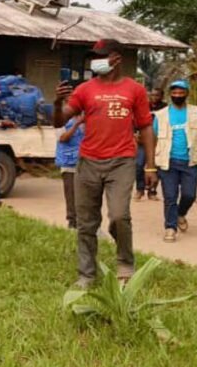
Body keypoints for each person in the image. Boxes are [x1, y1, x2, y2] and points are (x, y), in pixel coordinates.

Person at [54, 39, 155, 287]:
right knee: (86, 222)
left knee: (120, 216)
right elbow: (58, 121)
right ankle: (86, 274)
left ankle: (125, 264)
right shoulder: (85, 89)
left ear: (117, 58)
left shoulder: (135, 90)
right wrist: (57, 102)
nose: (95, 61)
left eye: (101, 56)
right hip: (88, 162)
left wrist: (150, 165)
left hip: (121, 161)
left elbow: (145, 126)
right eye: (94, 56)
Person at [153, 80, 197, 242]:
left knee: (189, 195)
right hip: (168, 162)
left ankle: (181, 213)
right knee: (170, 197)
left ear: (186, 94)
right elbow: (152, 138)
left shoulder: (196, 112)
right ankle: (170, 228)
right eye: (174, 93)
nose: (177, 96)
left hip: (190, 162)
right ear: (170, 95)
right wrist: (149, 164)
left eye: (181, 93)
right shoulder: (161, 115)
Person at [135, 87, 167, 200]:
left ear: (162, 96)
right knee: (138, 165)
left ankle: (152, 191)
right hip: (143, 141)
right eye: (152, 95)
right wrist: (135, 134)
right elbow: (136, 121)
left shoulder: (165, 108)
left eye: (157, 95)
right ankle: (140, 189)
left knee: (155, 166)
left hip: (159, 141)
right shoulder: (143, 106)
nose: (154, 97)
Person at [55, 114, 85, 229]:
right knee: (71, 195)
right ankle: (72, 223)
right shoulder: (60, 121)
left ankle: (83, 222)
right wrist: (76, 124)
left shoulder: (84, 119)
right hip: (68, 164)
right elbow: (62, 138)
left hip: (84, 162)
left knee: (85, 195)